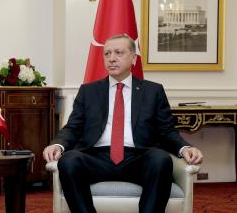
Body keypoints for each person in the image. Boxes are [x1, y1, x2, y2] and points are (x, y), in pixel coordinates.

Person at [43, 34, 203, 213]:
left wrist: (184, 148)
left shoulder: (153, 91)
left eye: (118, 53)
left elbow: (166, 131)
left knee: (160, 159)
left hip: (138, 157)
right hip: (97, 157)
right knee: (69, 160)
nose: (111, 58)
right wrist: (58, 144)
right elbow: (74, 127)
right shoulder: (89, 91)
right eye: (107, 54)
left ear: (133, 58)